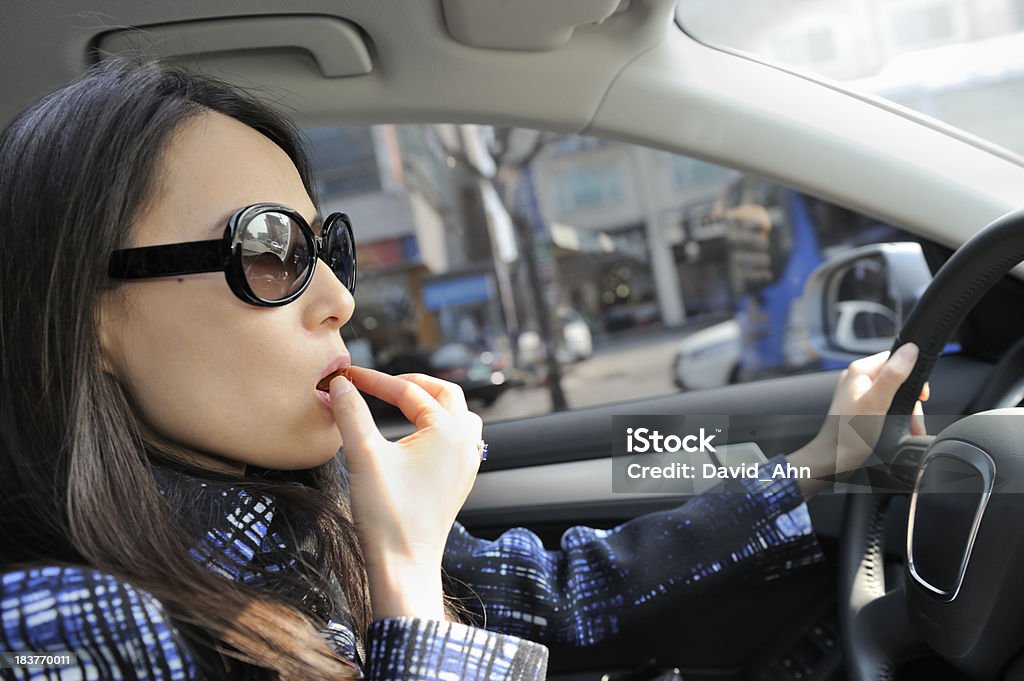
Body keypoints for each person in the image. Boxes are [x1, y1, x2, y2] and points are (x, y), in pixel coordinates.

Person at [0, 58, 928, 680]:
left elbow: (575, 594)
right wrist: (407, 567)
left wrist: (820, 463)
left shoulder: (293, 515)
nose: (339, 298)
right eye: (272, 249)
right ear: (88, 321)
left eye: (328, 245)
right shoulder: (60, 625)